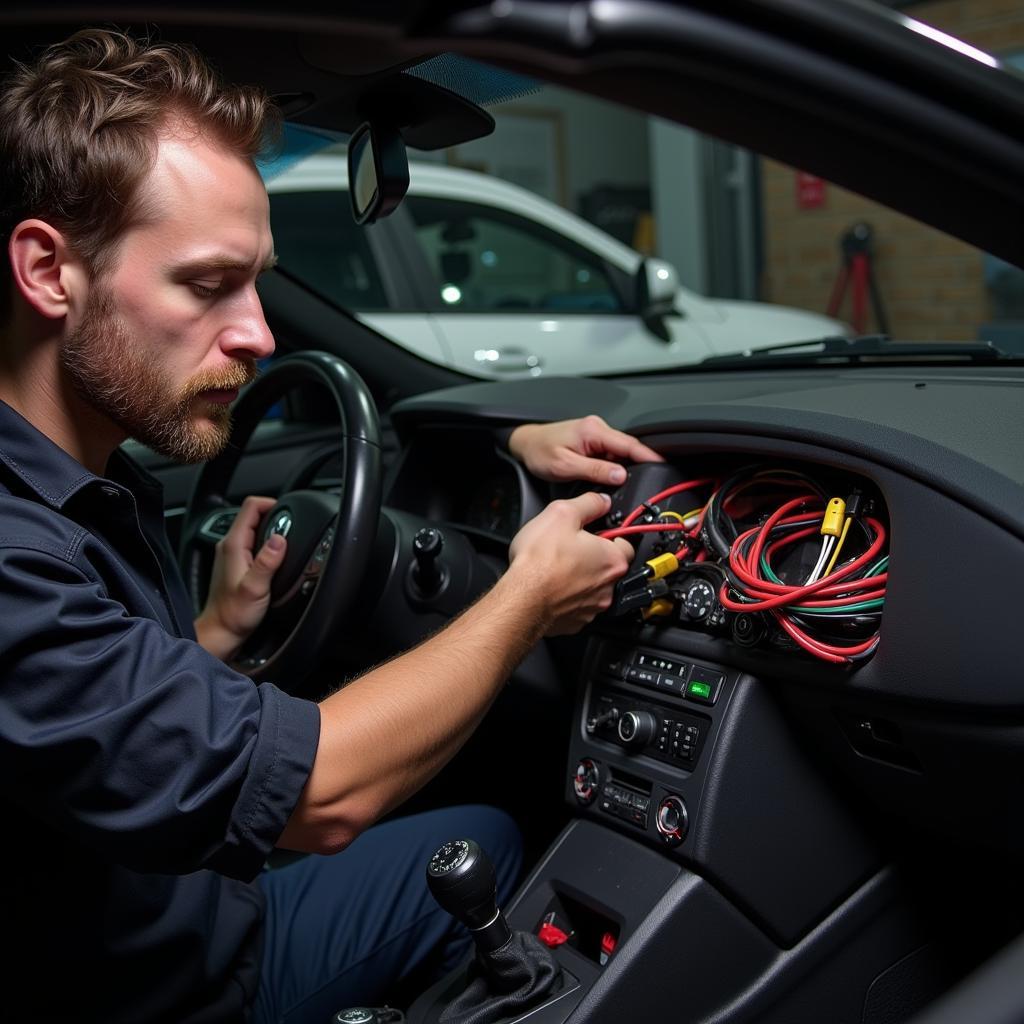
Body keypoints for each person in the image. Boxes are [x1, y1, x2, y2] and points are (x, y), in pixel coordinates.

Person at [0, 29, 663, 1024]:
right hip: (164, 986)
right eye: (207, 283)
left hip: (170, 903)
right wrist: (526, 593)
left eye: (258, 280)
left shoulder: (87, 474)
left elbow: (100, 724)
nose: (260, 333)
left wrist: (215, 636)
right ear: (51, 271)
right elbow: (321, 798)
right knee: (491, 836)